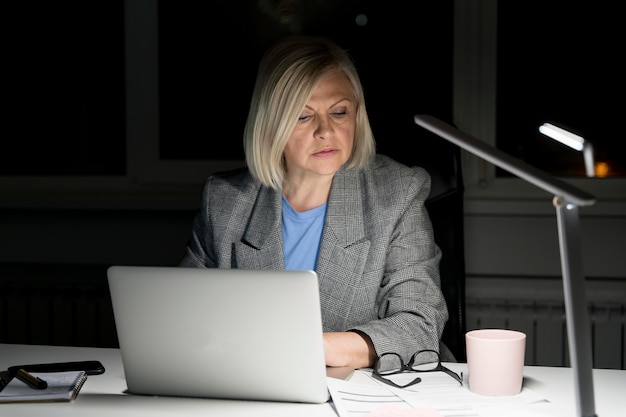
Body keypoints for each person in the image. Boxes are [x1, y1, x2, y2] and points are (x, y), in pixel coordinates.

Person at [180, 35, 450, 369]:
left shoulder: (397, 193)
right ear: (271, 125)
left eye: (339, 112)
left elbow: (419, 325)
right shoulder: (224, 201)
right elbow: (185, 321)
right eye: (303, 116)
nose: (325, 130)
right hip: (251, 387)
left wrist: (303, 348)